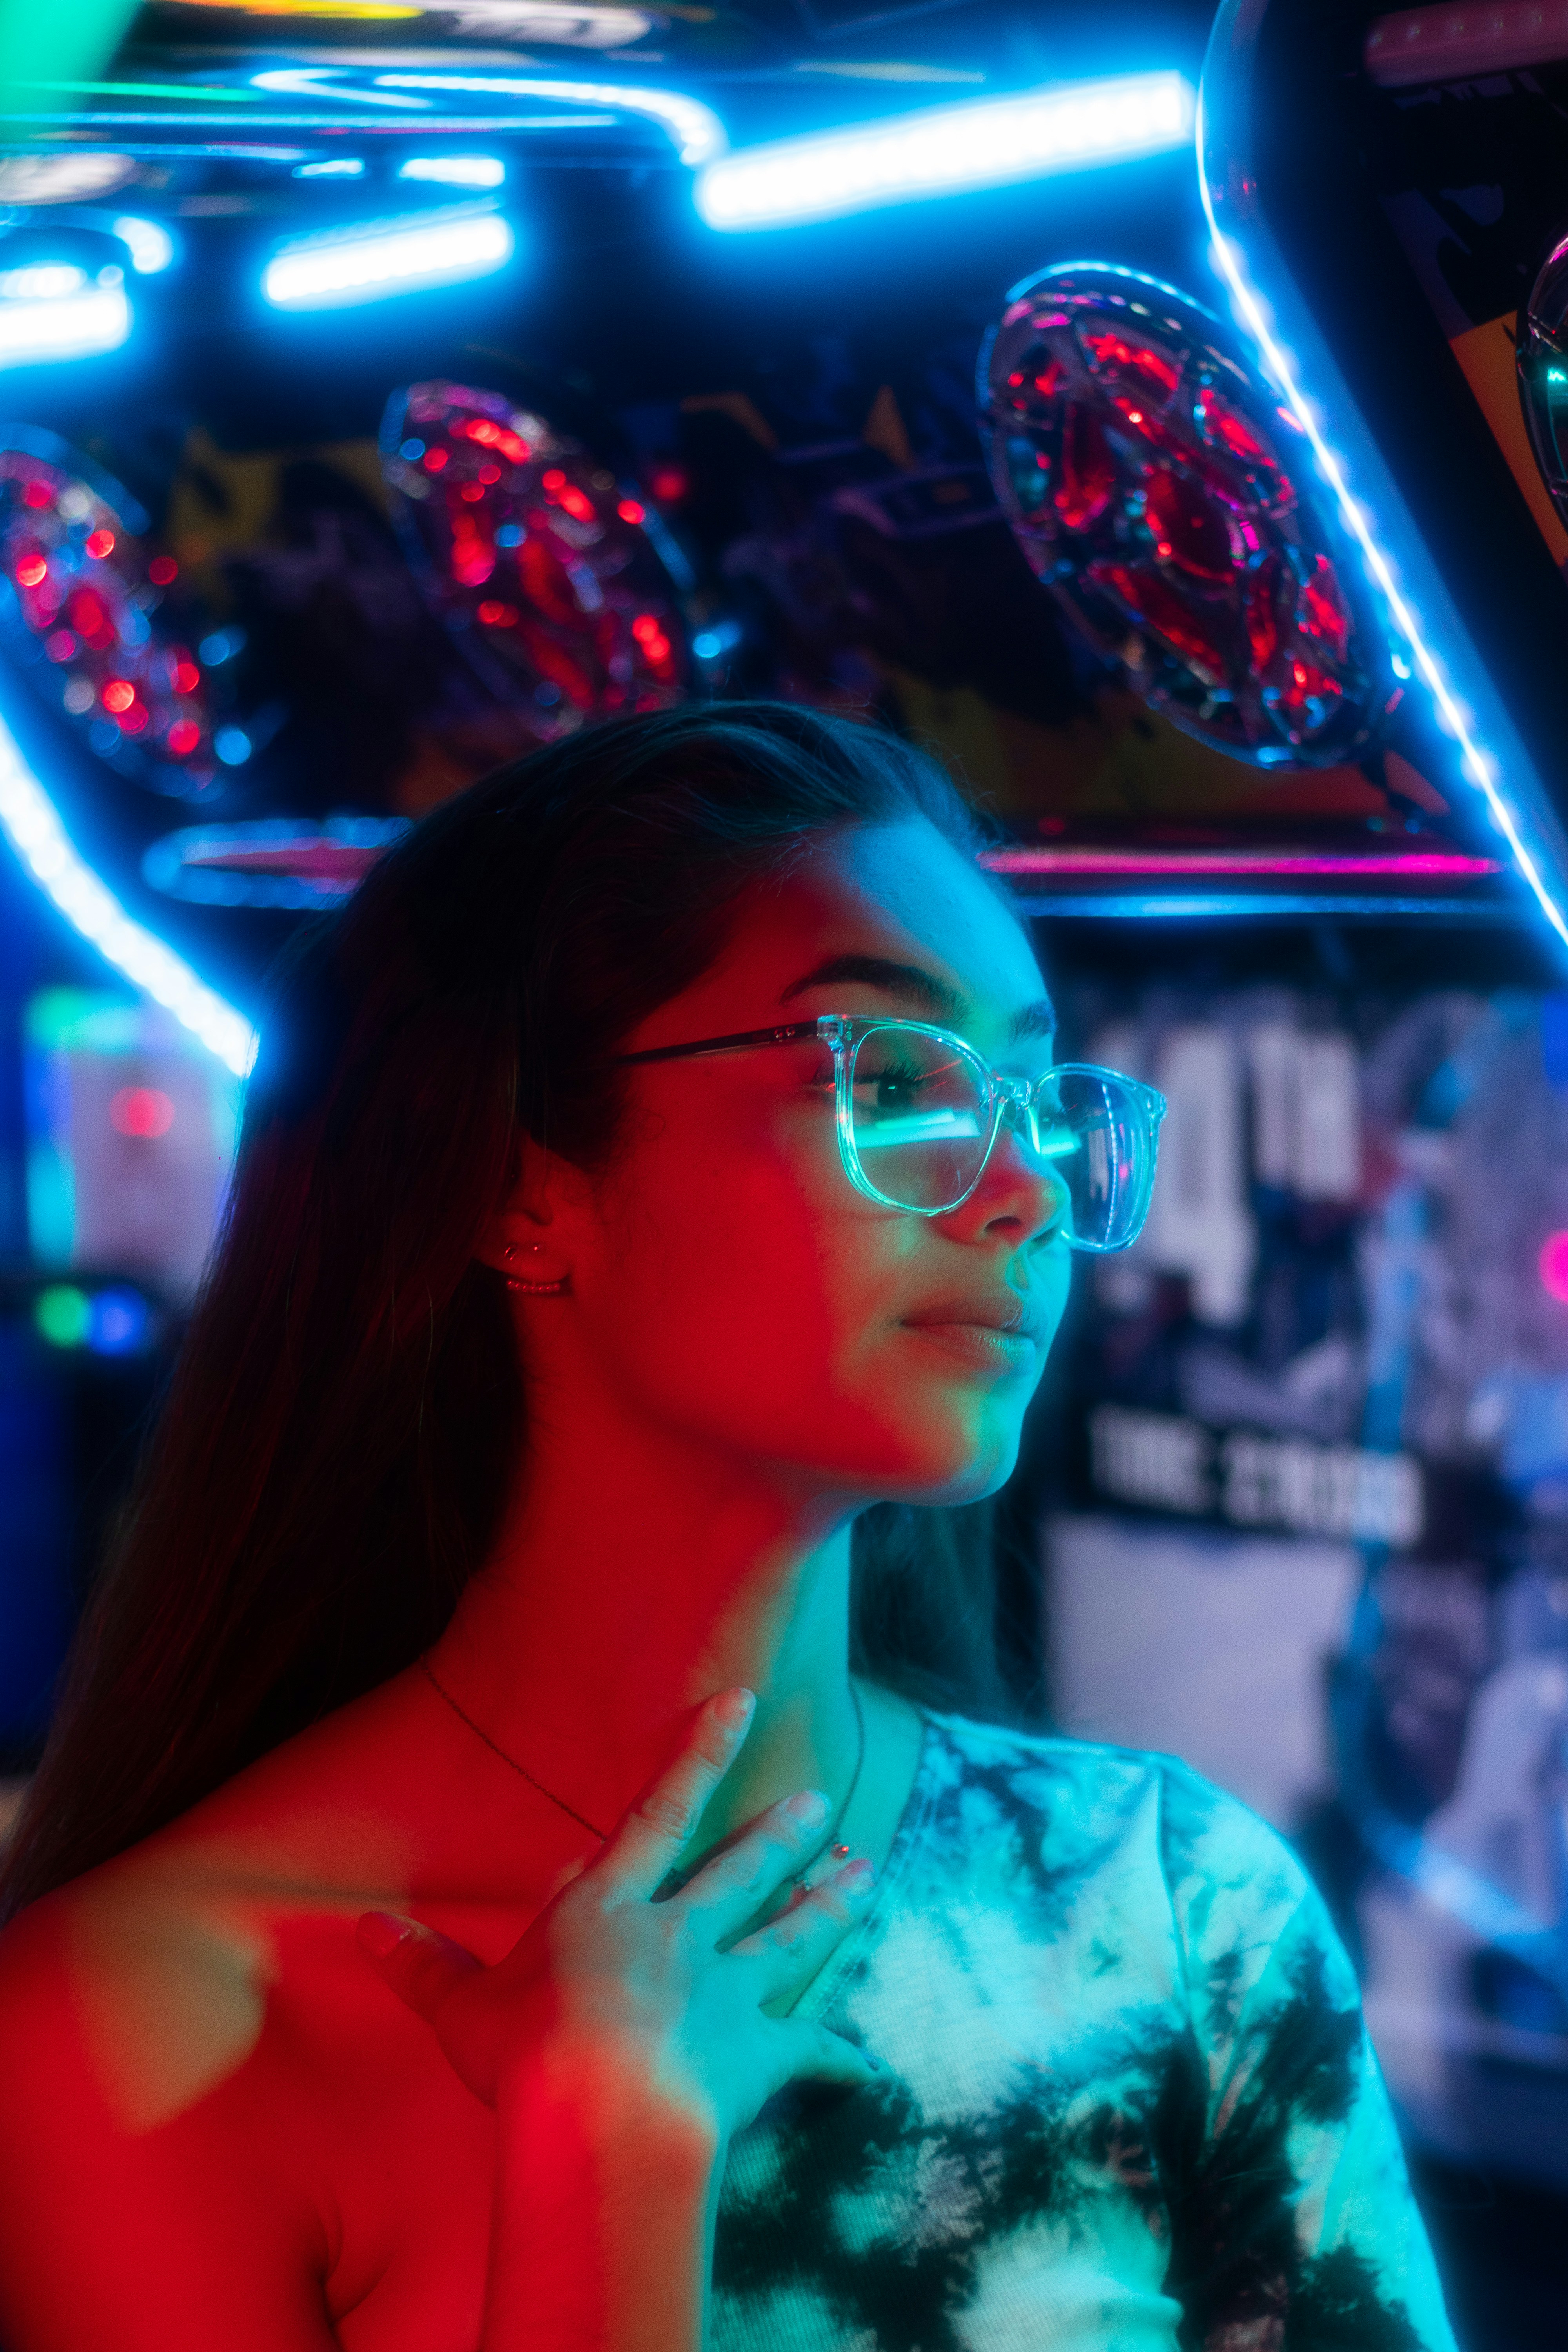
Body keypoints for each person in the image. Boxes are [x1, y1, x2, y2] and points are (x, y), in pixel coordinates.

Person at [0, 704, 1453, 2352]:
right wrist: (601, 2185)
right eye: (893, 1077)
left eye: (1038, 1101)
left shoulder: (1173, 1913)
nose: (1026, 1186)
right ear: (520, 1190)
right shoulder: (136, 2021)